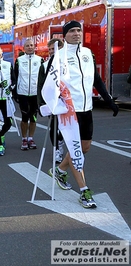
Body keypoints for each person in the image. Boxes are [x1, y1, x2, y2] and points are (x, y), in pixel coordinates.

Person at [48, 20, 119, 208]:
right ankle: (84, 191)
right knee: (76, 151)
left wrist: (108, 100)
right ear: (65, 35)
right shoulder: (58, 56)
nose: (76, 34)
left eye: (79, 30)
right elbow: (49, 85)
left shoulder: (88, 53)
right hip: (69, 112)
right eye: (72, 31)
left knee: (85, 147)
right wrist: (51, 106)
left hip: (87, 108)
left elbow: (95, 79)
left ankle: (61, 170)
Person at [37, 38, 65, 163]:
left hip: (67, 101)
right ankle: (56, 150)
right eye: (50, 49)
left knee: (65, 127)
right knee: (54, 126)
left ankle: (61, 140)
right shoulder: (44, 65)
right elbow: (41, 85)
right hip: (53, 101)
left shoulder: (68, 63)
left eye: (54, 48)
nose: (52, 51)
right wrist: (41, 102)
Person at [14, 38, 44, 150]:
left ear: (34, 47)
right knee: (24, 117)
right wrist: (15, 93)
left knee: (33, 117)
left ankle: (31, 138)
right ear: (24, 48)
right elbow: (15, 77)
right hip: (22, 93)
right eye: (27, 45)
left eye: (31, 45)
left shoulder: (40, 60)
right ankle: (24, 139)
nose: (30, 47)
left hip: (35, 94)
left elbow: (42, 78)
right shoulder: (19, 60)